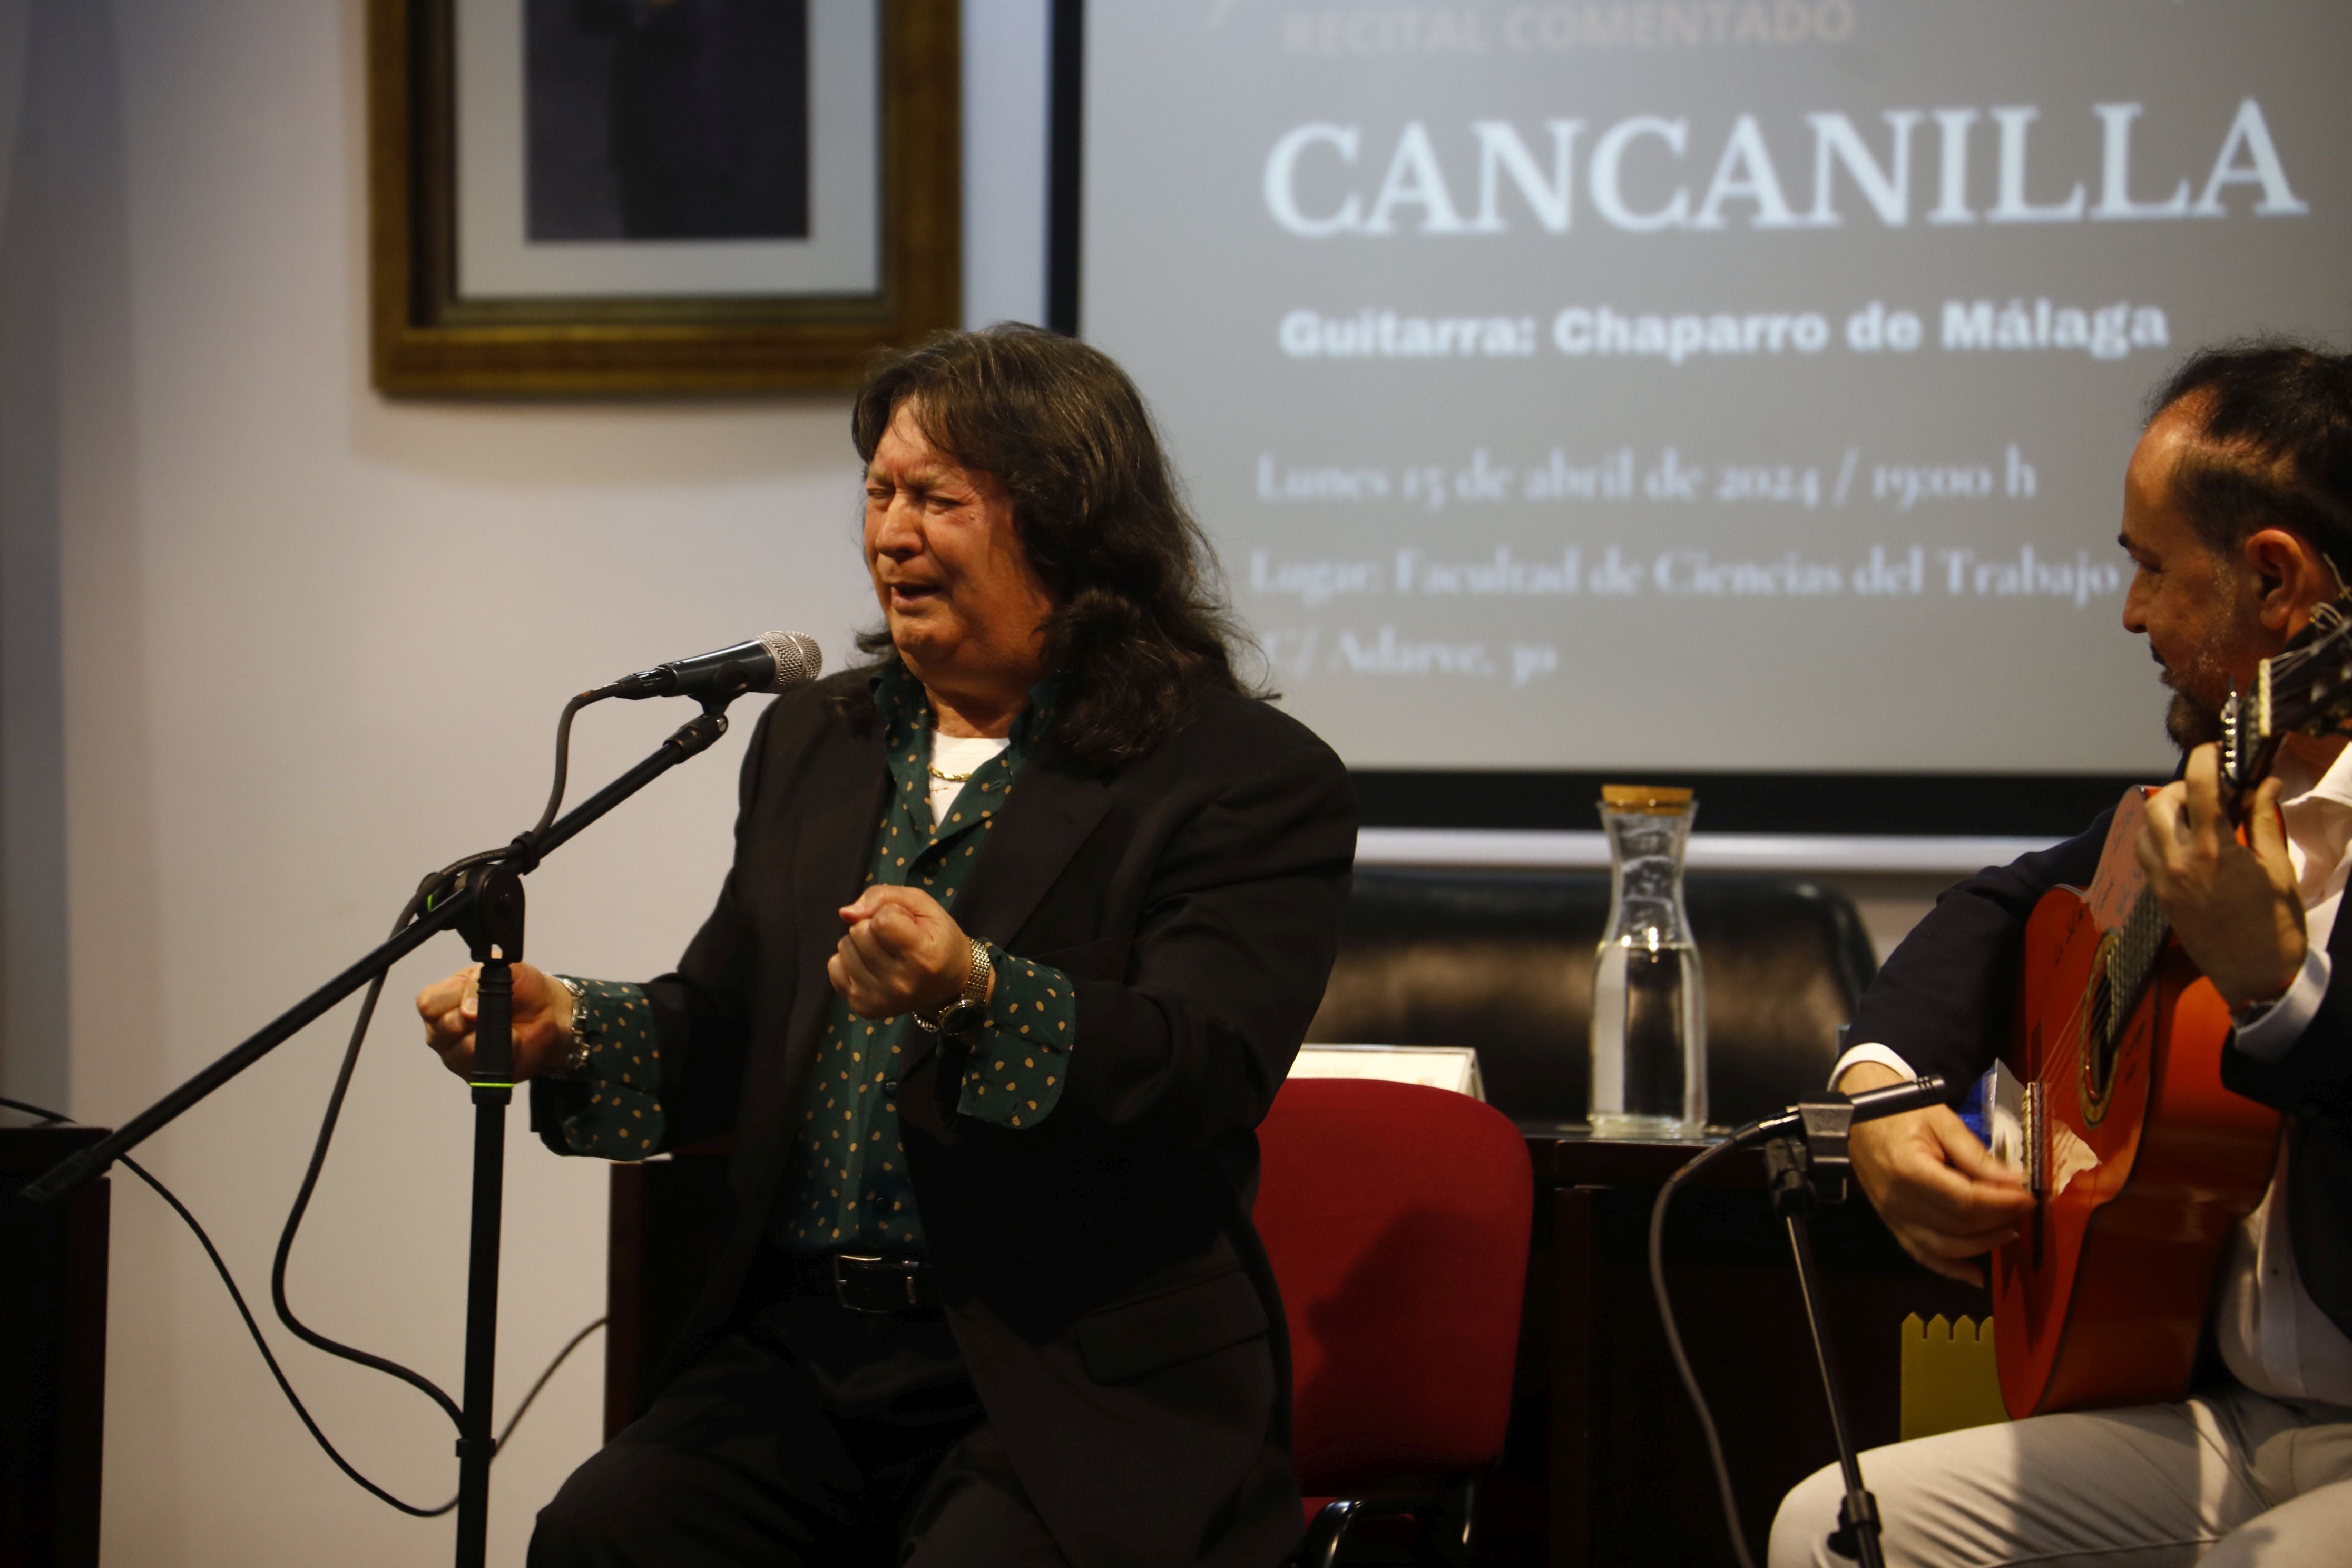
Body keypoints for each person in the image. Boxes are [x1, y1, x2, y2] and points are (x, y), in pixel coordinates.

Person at [416, 326, 1356, 1566]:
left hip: (1069, 1373)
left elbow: (1200, 1067)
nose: (890, 536)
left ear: (1069, 523)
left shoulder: (1237, 774)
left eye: (937, 500)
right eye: (878, 493)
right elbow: (738, 1028)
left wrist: (977, 990)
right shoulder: (820, 738)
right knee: (605, 1534)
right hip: (805, 1357)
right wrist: (573, 1026)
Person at [1771, 341, 2352, 1568]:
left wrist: (2275, 992)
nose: (2132, 613)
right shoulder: (2210, 803)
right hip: (2230, 1420)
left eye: (2153, 568)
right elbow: (2004, 909)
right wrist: (1878, 1094)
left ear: (2275, 580)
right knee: (1831, 1529)